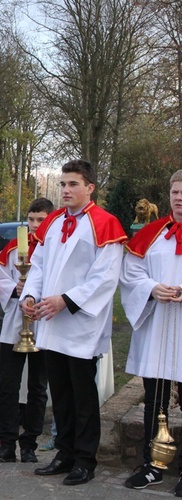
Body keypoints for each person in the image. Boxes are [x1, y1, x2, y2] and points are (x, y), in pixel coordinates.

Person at [21, 160, 126, 485]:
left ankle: (84, 458)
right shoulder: (52, 221)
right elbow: (37, 264)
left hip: (80, 323)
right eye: (63, 184)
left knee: (82, 395)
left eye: (72, 184)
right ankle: (64, 452)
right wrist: (30, 294)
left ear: (90, 187)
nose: (65, 190)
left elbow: (105, 278)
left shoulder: (105, 223)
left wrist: (66, 300)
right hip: (50, 321)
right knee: (61, 393)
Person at [120, 169, 182, 493]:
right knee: (155, 403)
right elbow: (131, 273)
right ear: (169, 195)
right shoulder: (153, 233)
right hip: (158, 325)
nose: (179, 198)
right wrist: (153, 288)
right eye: (175, 192)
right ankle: (152, 466)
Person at [0, 197, 54, 465]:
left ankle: (30, 444)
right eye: (31, 219)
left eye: (40, 220)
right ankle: (7, 443)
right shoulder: (14, 247)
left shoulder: (54, 247)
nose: (35, 225)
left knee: (38, 386)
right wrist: (14, 290)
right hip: (15, 318)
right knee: (8, 385)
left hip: (43, 319)